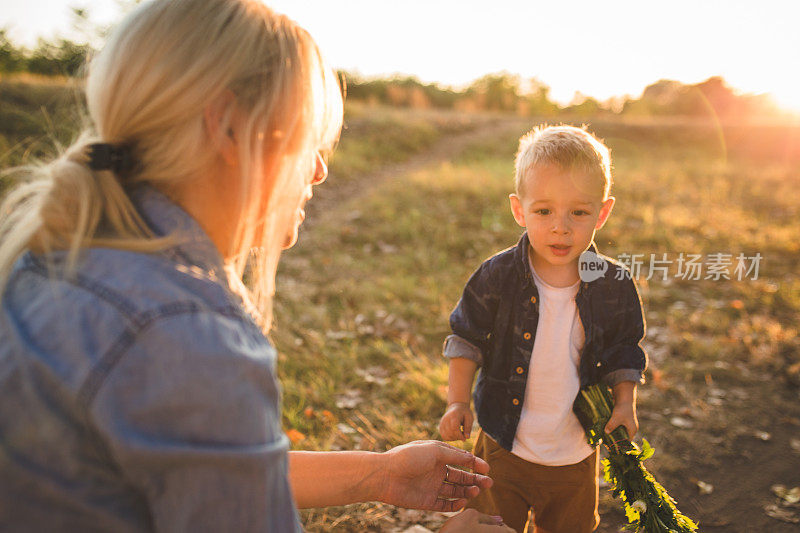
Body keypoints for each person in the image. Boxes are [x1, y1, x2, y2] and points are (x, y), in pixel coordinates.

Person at [0, 1, 513, 531]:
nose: (318, 170)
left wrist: (380, 475)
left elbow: (195, 463)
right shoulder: (187, 335)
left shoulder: (54, 254)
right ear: (228, 128)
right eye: (307, 137)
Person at [438, 125, 648, 533]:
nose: (561, 227)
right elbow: (467, 338)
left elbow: (625, 348)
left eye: (579, 213)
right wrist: (457, 402)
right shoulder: (498, 276)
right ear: (520, 210)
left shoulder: (613, 284)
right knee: (491, 527)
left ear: (602, 213)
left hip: (575, 453)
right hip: (504, 444)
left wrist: (625, 403)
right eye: (544, 211)